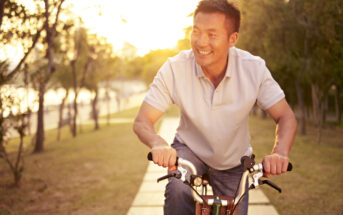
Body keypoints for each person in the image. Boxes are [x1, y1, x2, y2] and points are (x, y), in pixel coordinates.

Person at [133, 0, 297, 214]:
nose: (201, 42)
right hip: (189, 152)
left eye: (212, 34)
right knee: (176, 190)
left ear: (232, 39)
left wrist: (280, 152)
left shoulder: (253, 68)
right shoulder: (175, 69)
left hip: (234, 159)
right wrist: (158, 143)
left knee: (236, 208)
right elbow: (142, 121)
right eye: (196, 31)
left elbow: (285, 116)